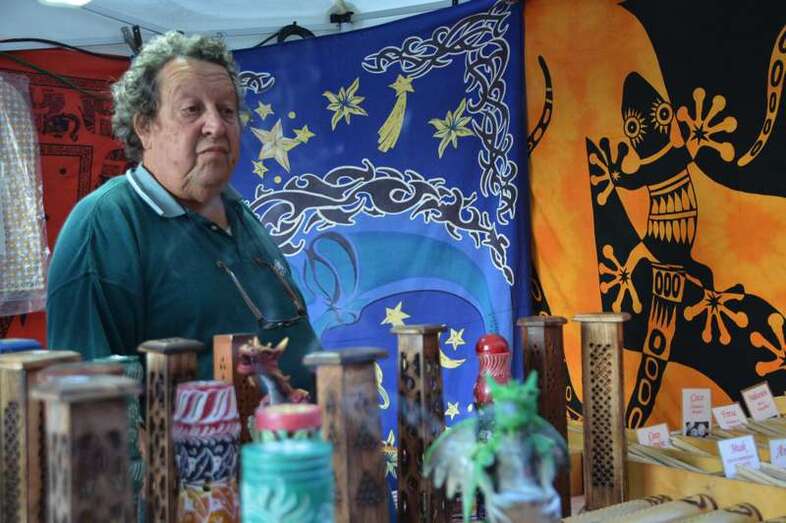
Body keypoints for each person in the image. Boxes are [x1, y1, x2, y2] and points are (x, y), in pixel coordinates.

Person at [46, 31, 319, 390]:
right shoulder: (104, 226)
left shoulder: (240, 213)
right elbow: (86, 398)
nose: (216, 126)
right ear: (145, 127)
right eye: (192, 109)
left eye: (227, 111)